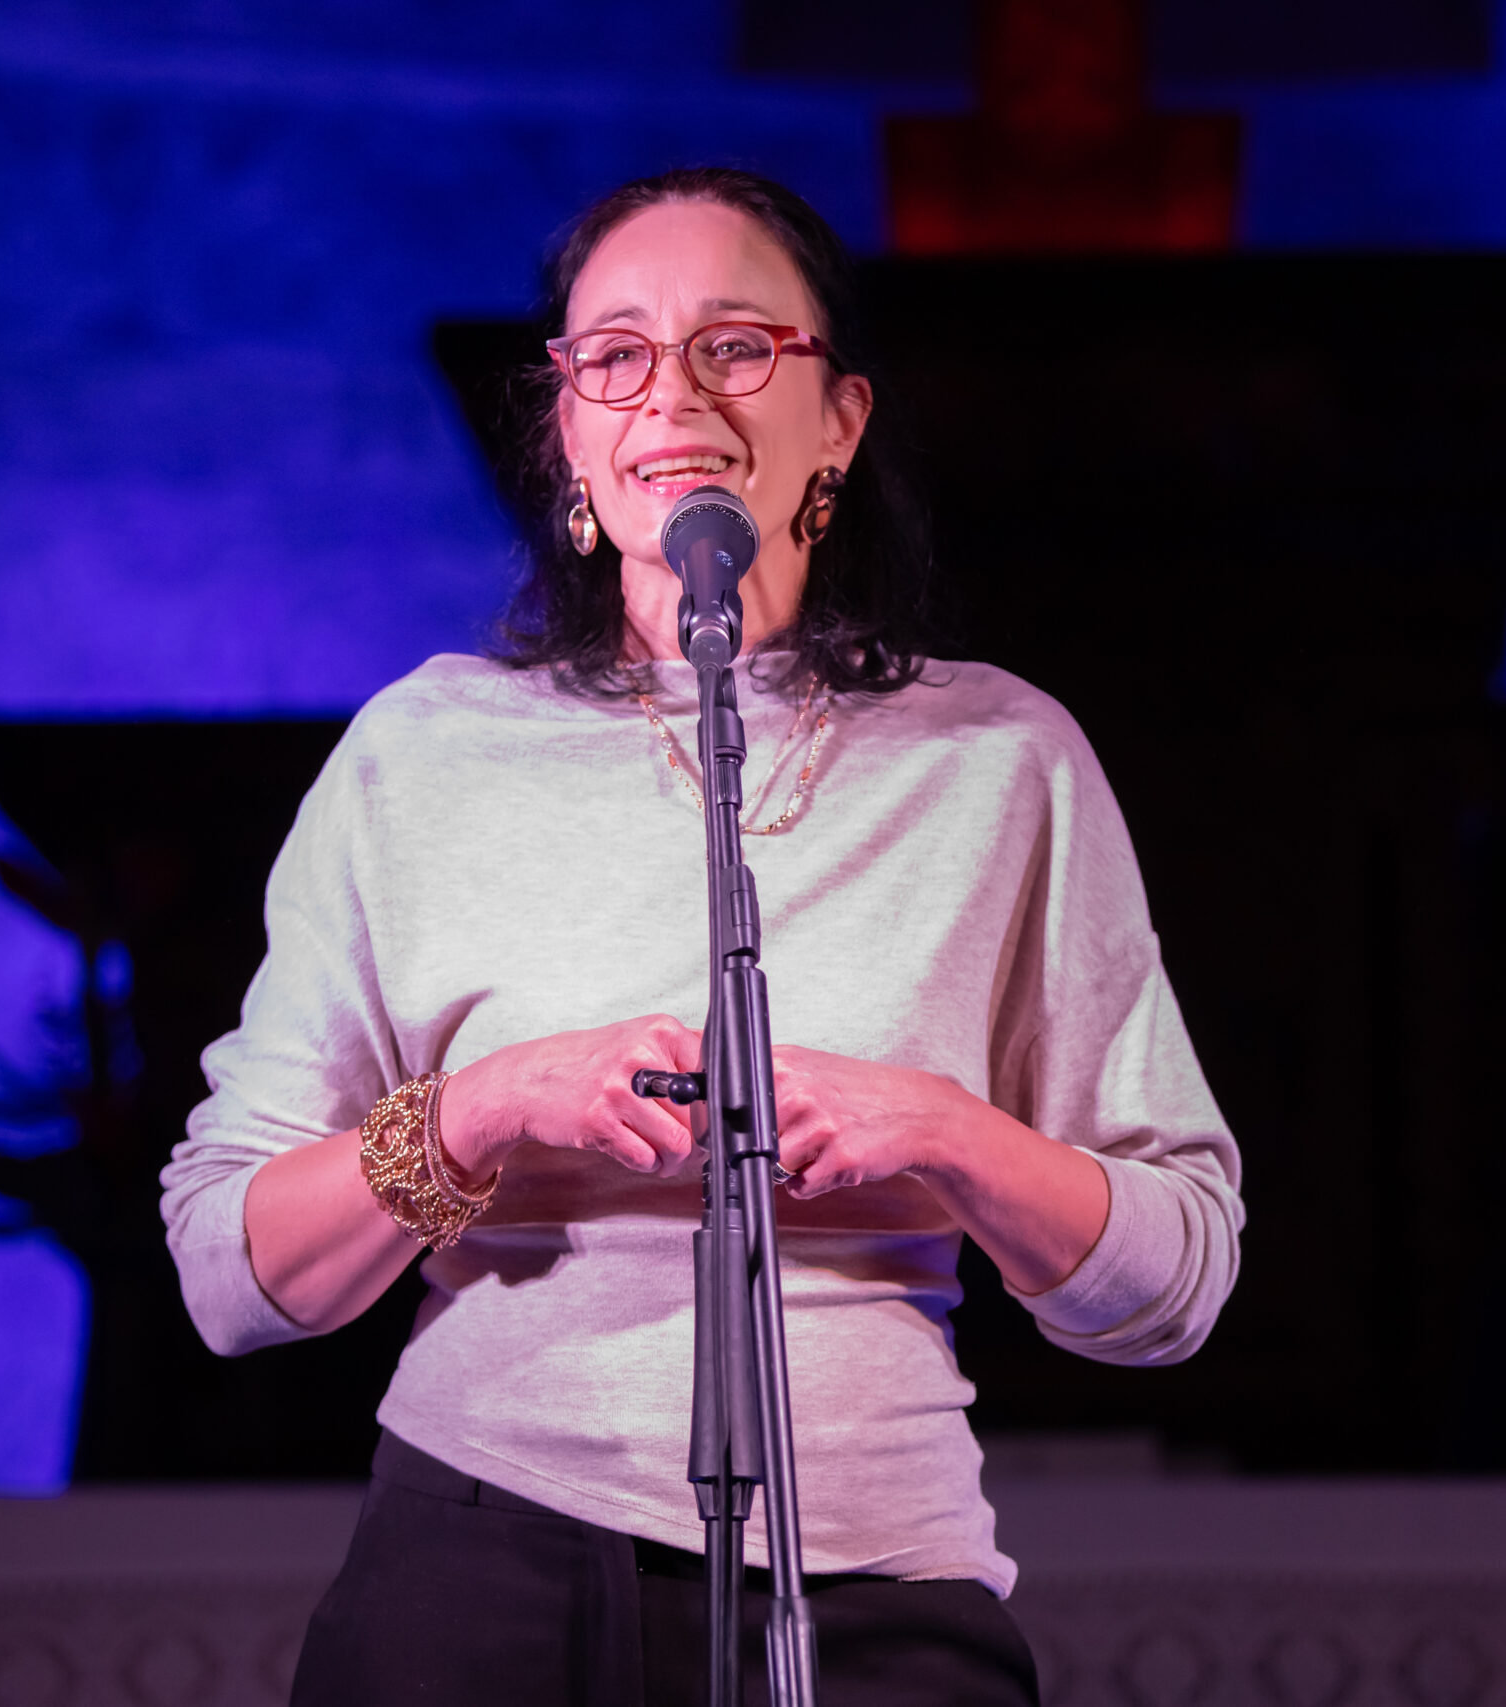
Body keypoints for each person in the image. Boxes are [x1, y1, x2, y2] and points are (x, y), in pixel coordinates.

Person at [160, 167, 1243, 1707]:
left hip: (872, 1589)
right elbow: (230, 1271)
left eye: (736, 345)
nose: (672, 392)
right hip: (482, 1573)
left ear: (840, 420)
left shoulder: (1000, 759)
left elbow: (1175, 1283)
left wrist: (942, 1133)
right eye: (615, 354)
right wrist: (485, 1109)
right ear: (570, 436)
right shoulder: (427, 753)